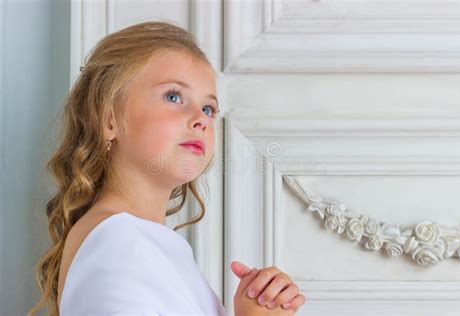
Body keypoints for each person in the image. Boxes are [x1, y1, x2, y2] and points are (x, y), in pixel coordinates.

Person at [29, 21, 306, 315]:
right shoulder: (117, 244)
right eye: (173, 96)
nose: (201, 118)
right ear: (108, 119)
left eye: (209, 109)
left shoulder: (146, 244)